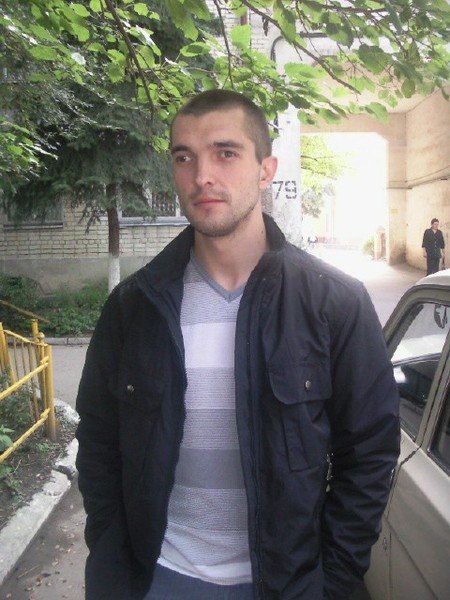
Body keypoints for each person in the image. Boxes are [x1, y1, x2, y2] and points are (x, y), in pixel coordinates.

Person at [75, 89, 400, 600]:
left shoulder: (335, 304)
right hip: (159, 579)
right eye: (184, 157)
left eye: (225, 153)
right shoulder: (134, 307)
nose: (202, 175)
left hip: (288, 585)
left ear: (266, 170)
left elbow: (369, 454)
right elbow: (98, 441)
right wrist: (112, 554)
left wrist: (332, 581)